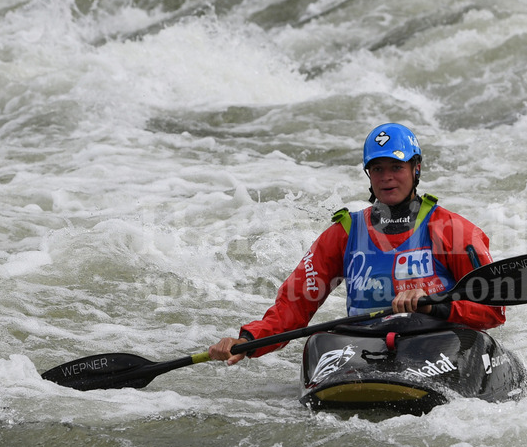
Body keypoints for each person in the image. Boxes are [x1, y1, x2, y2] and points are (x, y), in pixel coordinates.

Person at [208, 123, 505, 365]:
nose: (386, 178)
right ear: (368, 174)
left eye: (396, 167)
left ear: (416, 169)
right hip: (368, 348)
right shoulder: (345, 233)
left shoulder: (453, 230)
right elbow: (295, 305)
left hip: (439, 345)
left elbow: (492, 309)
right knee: (318, 343)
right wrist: (248, 340)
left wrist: (435, 305)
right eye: (377, 169)